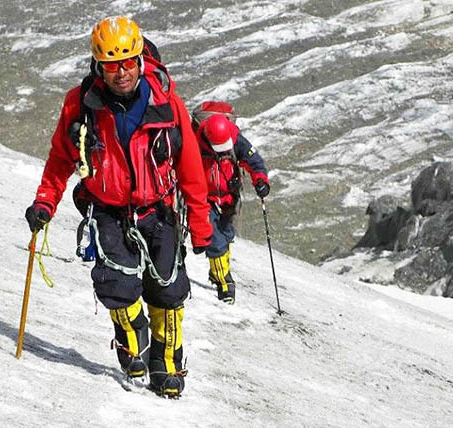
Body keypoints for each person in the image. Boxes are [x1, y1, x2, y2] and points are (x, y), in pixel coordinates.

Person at [25, 16, 212, 397]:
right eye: (112, 65)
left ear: (141, 60)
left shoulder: (167, 103)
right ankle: (132, 342)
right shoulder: (81, 106)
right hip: (107, 209)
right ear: (98, 65)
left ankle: (168, 367)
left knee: (169, 291)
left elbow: (190, 166)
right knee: (116, 286)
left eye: (128, 62)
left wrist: (201, 226)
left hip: (158, 209)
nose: (121, 72)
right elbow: (62, 158)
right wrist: (45, 201)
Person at [195, 112, 270, 304]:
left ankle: (218, 272)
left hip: (229, 196)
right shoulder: (194, 141)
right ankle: (224, 283)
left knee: (226, 235)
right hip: (203, 198)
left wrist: (261, 181)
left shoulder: (236, 139)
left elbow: (254, 161)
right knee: (215, 240)